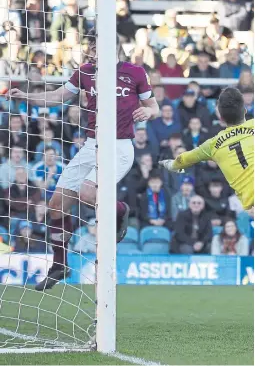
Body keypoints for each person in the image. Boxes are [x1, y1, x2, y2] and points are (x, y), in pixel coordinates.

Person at [7, 34, 159, 289]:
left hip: (119, 146)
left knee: (88, 191)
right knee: (55, 206)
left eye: (97, 49)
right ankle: (59, 265)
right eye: (91, 49)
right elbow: (57, 97)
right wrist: (26, 96)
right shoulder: (85, 72)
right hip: (91, 145)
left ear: (114, 48)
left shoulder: (134, 72)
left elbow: (153, 106)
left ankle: (120, 211)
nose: (92, 53)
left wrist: (149, 112)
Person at [160, 87, 254, 211]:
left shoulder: (212, 145)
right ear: (244, 111)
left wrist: (169, 164)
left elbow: (183, 159)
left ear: (221, 117)